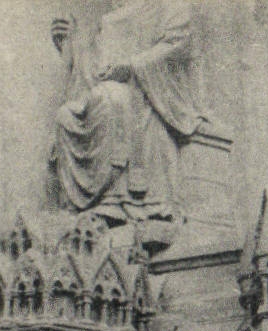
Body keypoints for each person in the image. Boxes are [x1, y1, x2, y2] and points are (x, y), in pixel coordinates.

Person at [51, 0, 209, 219]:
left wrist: (132, 66)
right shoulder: (109, 18)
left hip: (148, 93)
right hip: (108, 89)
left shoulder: (170, 5)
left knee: (110, 98)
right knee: (65, 116)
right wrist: (70, 45)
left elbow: (177, 46)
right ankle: (80, 205)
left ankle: (119, 198)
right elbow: (94, 68)